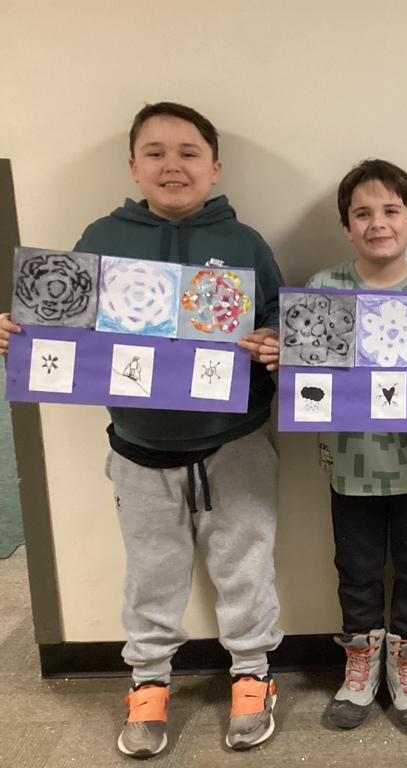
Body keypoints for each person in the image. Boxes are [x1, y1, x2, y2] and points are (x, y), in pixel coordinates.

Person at [1, 102, 285, 757]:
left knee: (246, 568)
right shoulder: (103, 236)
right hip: (138, 450)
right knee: (151, 575)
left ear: (215, 167)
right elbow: (66, 329)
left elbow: (277, 324)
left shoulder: (244, 245)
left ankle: (252, 675)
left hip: (235, 442)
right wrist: (23, 335)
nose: (172, 165)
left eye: (188, 152)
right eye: (155, 152)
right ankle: (149, 682)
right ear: (133, 166)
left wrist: (270, 343)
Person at [252, 159, 407, 734]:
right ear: (346, 227)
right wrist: (279, 361)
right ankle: (360, 666)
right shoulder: (322, 291)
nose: (377, 223)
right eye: (362, 214)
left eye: (391, 211)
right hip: (350, 465)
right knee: (357, 569)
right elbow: (303, 388)